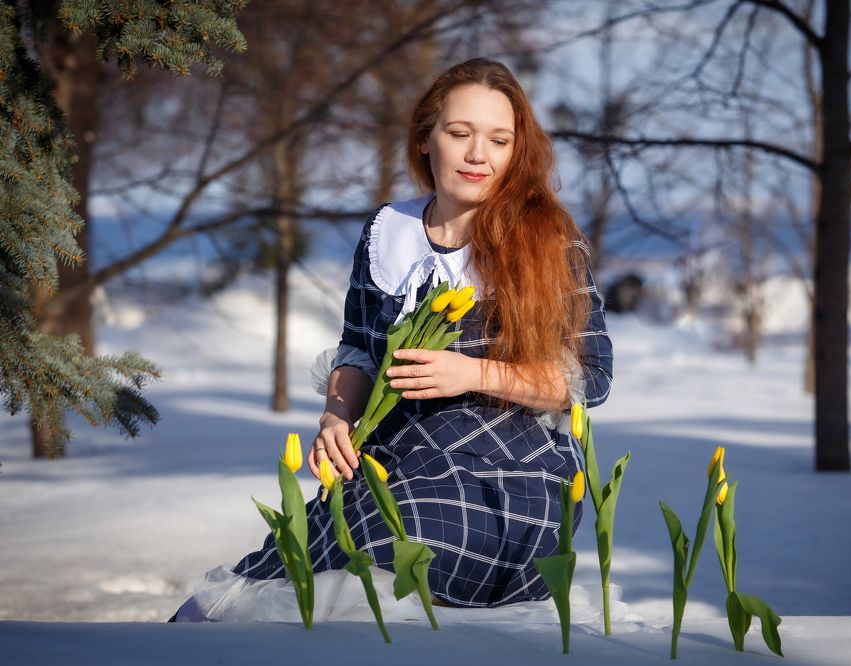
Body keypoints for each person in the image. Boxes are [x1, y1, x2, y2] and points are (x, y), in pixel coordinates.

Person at [171, 57, 612, 621]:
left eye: (499, 141)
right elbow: (358, 349)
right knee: (265, 580)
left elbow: (590, 379)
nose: (478, 155)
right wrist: (336, 417)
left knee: (392, 543)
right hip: (395, 462)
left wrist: (473, 374)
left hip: (510, 476)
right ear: (426, 139)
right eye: (460, 134)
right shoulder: (389, 232)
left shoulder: (548, 241)